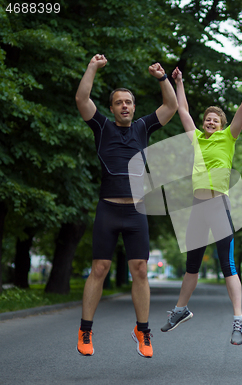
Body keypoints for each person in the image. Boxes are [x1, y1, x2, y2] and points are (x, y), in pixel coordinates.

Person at [75, 54, 178, 358]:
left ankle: (143, 331)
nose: (124, 106)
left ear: (134, 107)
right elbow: (82, 98)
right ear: (111, 108)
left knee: (141, 271)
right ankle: (85, 329)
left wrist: (162, 78)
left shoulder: (143, 128)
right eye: (119, 102)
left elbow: (171, 107)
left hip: (136, 211)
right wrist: (93, 67)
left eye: (128, 102)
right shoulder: (102, 127)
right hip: (108, 209)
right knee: (100, 268)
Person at [160, 55, 242, 345]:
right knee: (191, 265)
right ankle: (181, 310)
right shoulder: (195, 138)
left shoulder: (229, 137)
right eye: (207, 118)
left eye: (215, 119)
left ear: (222, 125)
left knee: (227, 264)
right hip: (198, 209)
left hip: (219, 207)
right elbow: (182, 110)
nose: (210, 121)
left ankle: (239, 320)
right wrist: (178, 82)